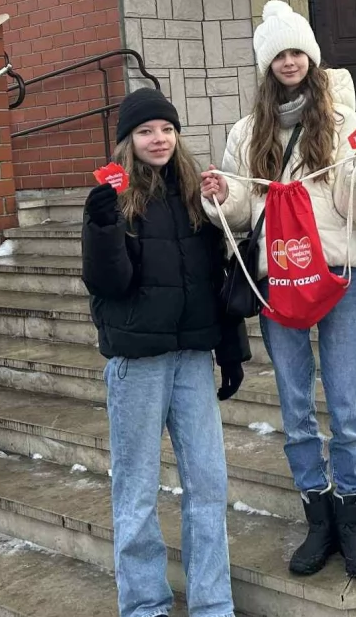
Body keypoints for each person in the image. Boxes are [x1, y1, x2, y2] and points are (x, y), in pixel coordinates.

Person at [198, 0, 356, 579]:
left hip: (338, 276)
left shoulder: (343, 123)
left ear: (311, 57)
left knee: (347, 406)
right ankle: (317, 513)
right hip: (276, 280)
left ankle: (352, 513)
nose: (289, 61)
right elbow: (240, 207)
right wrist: (219, 195)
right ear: (266, 64)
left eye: (297, 51)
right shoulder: (246, 132)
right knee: (296, 406)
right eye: (278, 54)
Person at [82, 87, 248, 617]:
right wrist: (102, 227)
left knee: (208, 484)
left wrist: (231, 349)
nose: (159, 139)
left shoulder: (196, 193)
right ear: (127, 140)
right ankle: (144, 605)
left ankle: (212, 604)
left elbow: (217, 277)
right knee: (136, 489)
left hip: (193, 359)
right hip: (138, 364)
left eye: (167, 129)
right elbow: (109, 284)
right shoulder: (115, 196)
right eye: (146, 131)